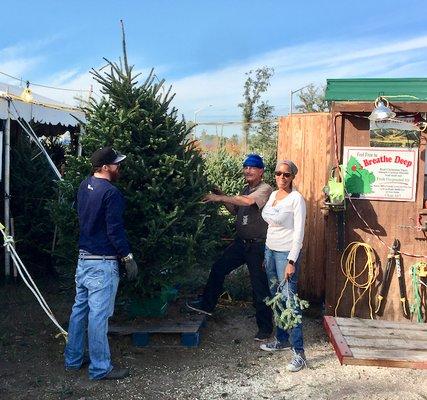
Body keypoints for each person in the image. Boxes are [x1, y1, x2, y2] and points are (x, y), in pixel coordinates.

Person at [64, 146, 138, 380]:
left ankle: (73, 359)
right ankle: (100, 368)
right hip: (102, 263)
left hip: (83, 259)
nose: (119, 168)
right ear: (105, 167)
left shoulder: (84, 185)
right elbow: (114, 230)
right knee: (98, 316)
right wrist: (127, 257)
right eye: (116, 164)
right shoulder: (111, 193)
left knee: (79, 310)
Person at [187, 154, 273, 340]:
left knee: (259, 286)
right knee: (219, 268)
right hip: (241, 244)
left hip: (257, 246)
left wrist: (218, 198)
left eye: (253, 167)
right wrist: (220, 195)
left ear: (261, 171)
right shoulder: (245, 188)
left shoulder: (264, 189)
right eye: (246, 167)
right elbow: (235, 210)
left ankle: (265, 328)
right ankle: (207, 306)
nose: (248, 170)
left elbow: (248, 202)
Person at [259, 159, 307, 372]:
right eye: (278, 173)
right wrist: (266, 253)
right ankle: (281, 339)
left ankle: (299, 352)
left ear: (292, 177)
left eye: (286, 174)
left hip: (286, 254)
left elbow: (299, 233)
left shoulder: (296, 199)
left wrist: (291, 261)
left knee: (289, 301)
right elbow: (270, 225)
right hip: (270, 251)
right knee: (275, 297)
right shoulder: (272, 195)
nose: (281, 178)